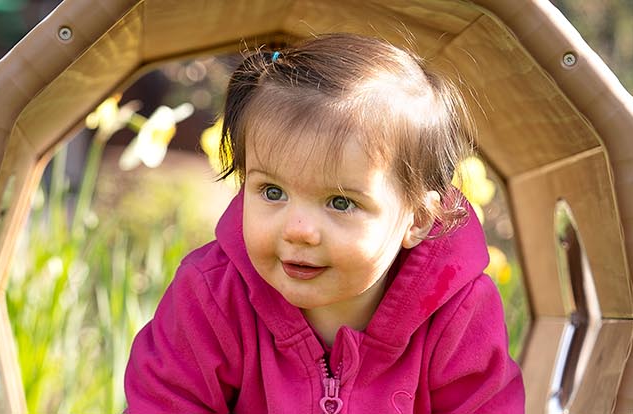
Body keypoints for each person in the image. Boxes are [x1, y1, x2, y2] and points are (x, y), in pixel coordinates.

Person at [125, 33, 523, 413]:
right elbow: (164, 401)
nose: (298, 230)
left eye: (340, 202)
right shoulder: (212, 295)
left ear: (416, 219)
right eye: (273, 192)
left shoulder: (456, 313)